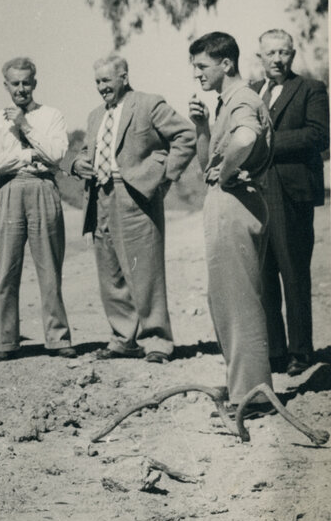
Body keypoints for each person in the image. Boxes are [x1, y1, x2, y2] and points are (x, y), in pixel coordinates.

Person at [71, 55, 196, 364]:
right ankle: (123, 338)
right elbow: (89, 151)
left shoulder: (149, 104)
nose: (101, 87)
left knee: (145, 271)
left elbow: (185, 135)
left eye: (106, 80)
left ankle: (157, 341)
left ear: (123, 77)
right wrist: (77, 163)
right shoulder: (94, 115)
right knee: (109, 272)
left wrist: (163, 176)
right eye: (97, 81)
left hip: (135, 196)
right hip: (100, 195)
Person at [188, 32, 273, 416]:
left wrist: (225, 175)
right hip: (228, 202)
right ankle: (243, 386)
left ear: (226, 63)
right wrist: (202, 127)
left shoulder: (243, 98)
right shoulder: (226, 102)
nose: (196, 74)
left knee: (239, 301)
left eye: (202, 66)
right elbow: (208, 159)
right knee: (226, 300)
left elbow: (246, 136)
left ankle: (253, 396)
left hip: (236, 202)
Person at [0, 57, 76, 362]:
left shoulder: (51, 115)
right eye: (15, 83)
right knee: (7, 269)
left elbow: (57, 154)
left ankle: (58, 338)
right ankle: (6, 342)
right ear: (6, 85)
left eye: (26, 82)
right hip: (9, 189)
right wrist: (29, 154)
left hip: (43, 187)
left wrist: (25, 126)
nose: (21, 89)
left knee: (49, 267)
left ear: (34, 82)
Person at [253, 30, 330, 376]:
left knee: (294, 273)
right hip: (254, 194)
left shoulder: (311, 89)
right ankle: (276, 352)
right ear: (260, 57)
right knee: (264, 275)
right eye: (270, 53)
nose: (277, 59)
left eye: (283, 52)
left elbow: (319, 134)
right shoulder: (252, 92)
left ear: (293, 54)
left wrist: (266, 143)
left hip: (292, 194)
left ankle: (301, 351)